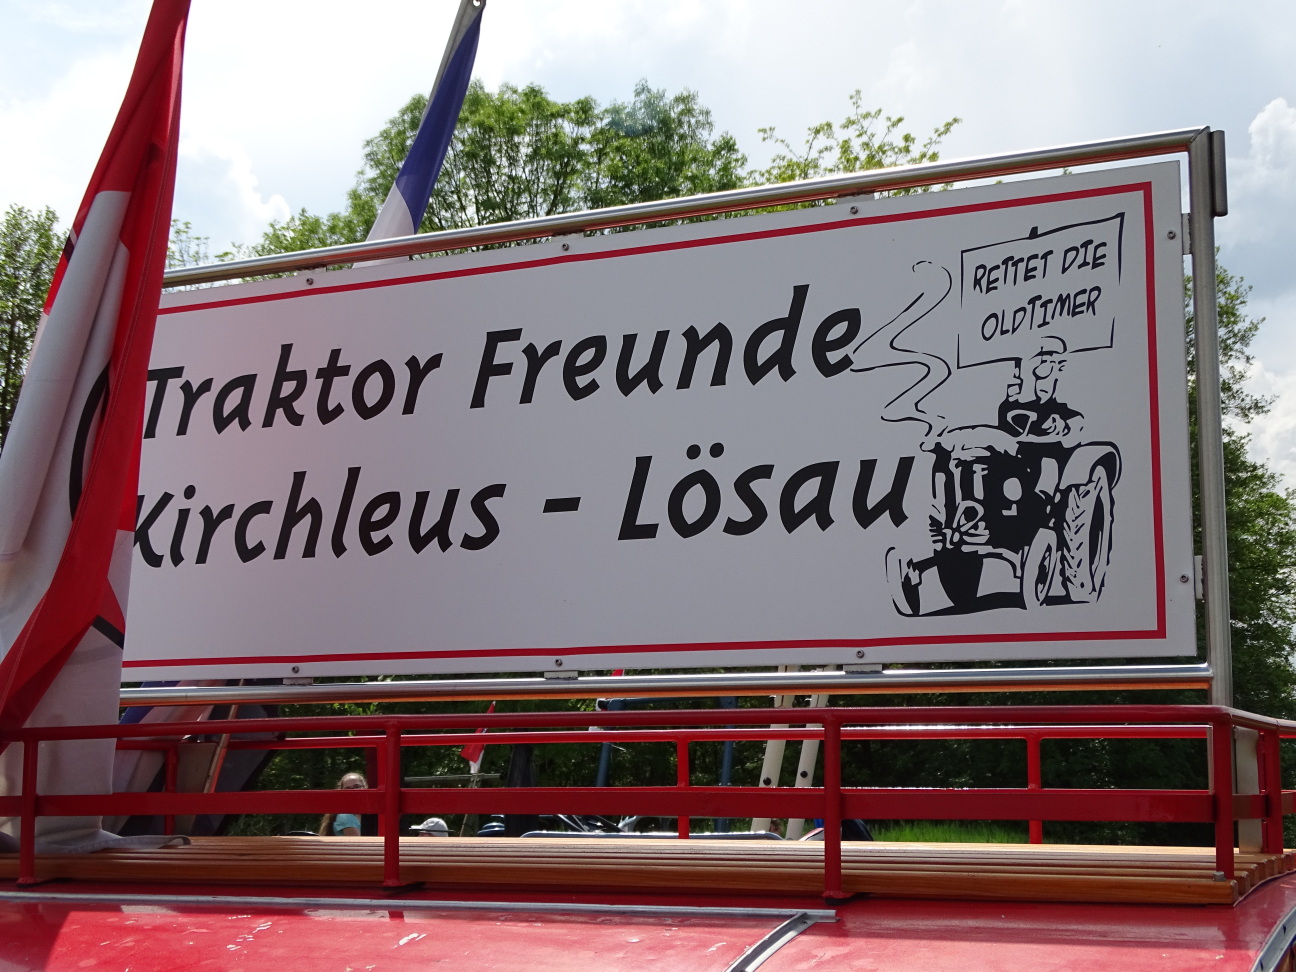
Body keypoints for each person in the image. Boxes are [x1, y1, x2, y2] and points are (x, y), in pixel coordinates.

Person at [317, 771, 367, 836]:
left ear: (364, 787)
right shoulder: (346, 817)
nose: (353, 791)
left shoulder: (366, 814)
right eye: (348, 789)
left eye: (357, 786)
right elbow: (358, 842)